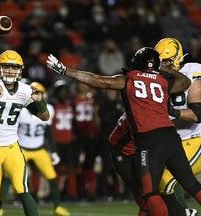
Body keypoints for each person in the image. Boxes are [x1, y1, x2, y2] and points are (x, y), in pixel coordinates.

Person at [46, 48, 201, 216]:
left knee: (150, 193)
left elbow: (96, 80)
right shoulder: (163, 81)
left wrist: (65, 70)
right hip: (172, 137)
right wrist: (163, 68)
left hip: (149, 141)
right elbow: (184, 82)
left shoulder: (129, 80)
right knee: (192, 184)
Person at [0, 50, 49, 216]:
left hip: (11, 147)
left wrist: (40, 101)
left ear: (20, 70)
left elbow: (45, 117)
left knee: (22, 188)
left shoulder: (24, 90)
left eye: (14, 68)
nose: (10, 71)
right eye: (6, 67)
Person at [109, 113, 198, 216]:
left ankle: (179, 211)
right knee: (145, 196)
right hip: (122, 153)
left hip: (137, 150)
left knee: (154, 190)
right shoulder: (139, 116)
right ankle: (179, 212)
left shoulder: (144, 111)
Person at [155, 37, 201, 215]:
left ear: (177, 58)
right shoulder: (156, 77)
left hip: (195, 138)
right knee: (159, 183)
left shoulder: (193, 70)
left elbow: (198, 114)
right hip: (172, 141)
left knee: (166, 181)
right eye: (159, 61)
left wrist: (171, 112)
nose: (162, 65)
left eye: (166, 60)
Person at [17, 81, 70, 216]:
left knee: (51, 176)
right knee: (10, 177)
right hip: (22, 147)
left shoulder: (49, 109)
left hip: (39, 149)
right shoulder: (21, 110)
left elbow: (48, 133)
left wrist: (53, 152)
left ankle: (57, 207)